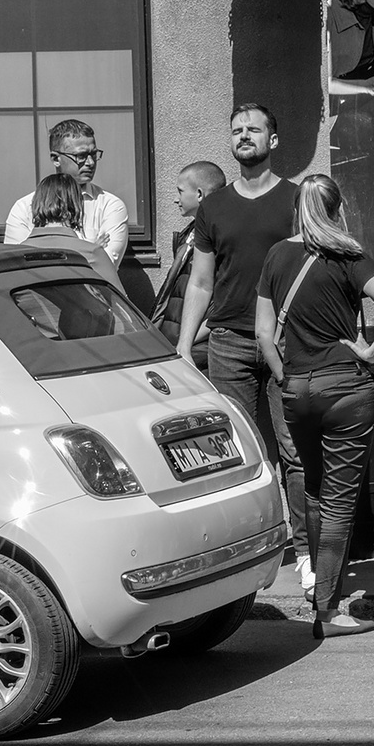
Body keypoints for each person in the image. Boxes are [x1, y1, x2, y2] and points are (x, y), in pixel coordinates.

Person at [255, 175, 374, 639]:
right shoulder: (350, 255)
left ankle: (326, 591)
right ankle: (327, 610)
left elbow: (263, 332)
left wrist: (284, 375)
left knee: (316, 490)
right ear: (338, 208)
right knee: (340, 501)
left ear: (298, 208)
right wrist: (370, 352)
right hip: (345, 387)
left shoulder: (277, 255)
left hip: (296, 387)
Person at [175, 104, 310, 592]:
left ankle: (305, 550)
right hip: (229, 343)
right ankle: (246, 549)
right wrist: (185, 346)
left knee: (294, 452)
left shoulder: (298, 199)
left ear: (274, 140)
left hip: (287, 343)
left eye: (254, 129)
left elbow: (321, 266)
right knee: (238, 456)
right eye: (237, 130)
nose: (244, 136)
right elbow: (201, 281)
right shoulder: (213, 207)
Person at [5, 119, 130, 266]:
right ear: (55, 158)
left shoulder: (110, 205)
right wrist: (91, 249)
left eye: (93, 154)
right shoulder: (25, 207)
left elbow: (106, 267)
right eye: (81, 156)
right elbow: (17, 265)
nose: (90, 162)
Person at [153, 161, 228, 371]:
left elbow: (221, 301)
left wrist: (187, 341)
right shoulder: (188, 234)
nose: (175, 199)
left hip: (199, 347)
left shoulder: (220, 237)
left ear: (200, 194)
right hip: (176, 342)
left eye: (180, 191)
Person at [18, 174, 125, 292]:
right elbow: (119, 304)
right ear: (77, 205)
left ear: (36, 204)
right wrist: (90, 248)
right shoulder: (92, 254)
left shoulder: (17, 254)